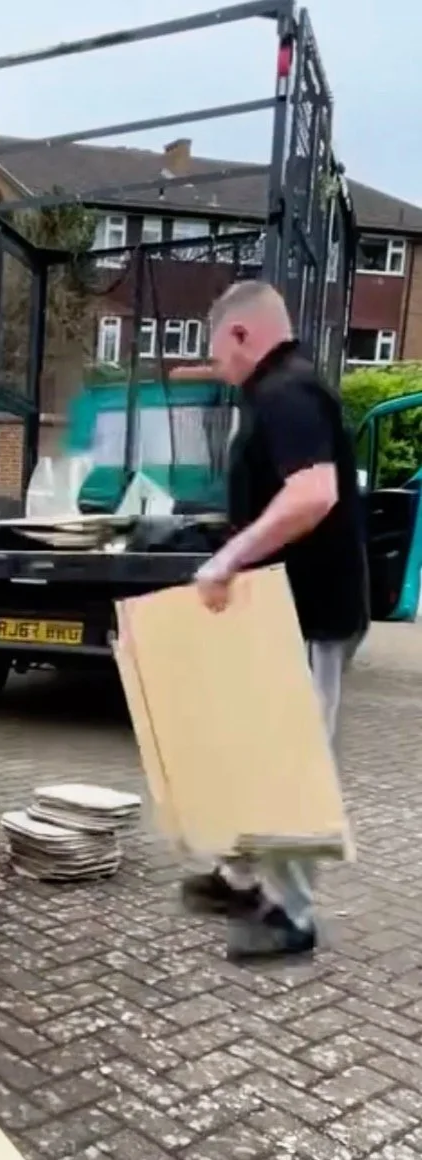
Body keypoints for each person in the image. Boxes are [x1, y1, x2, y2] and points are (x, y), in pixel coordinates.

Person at [179, 280, 368, 961]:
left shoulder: (288, 391)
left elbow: (314, 492)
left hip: (315, 617)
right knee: (256, 745)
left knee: (294, 762)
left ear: (241, 337)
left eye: (218, 352)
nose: (219, 369)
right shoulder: (276, 392)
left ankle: (294, 917)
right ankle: (239, 876)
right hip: (283, 615)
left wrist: (229, 555)